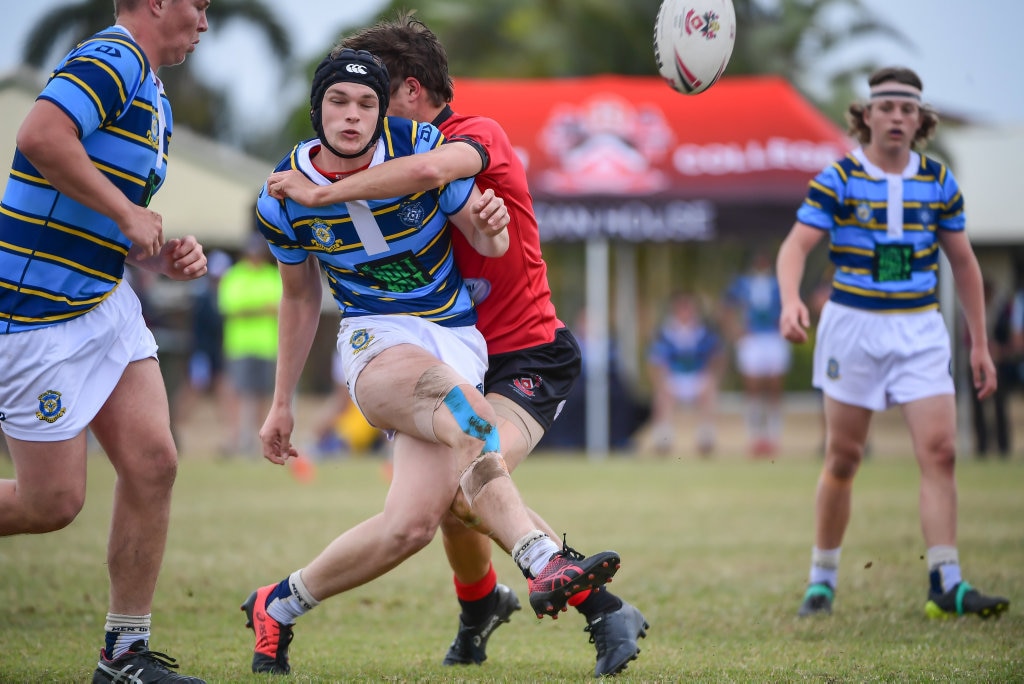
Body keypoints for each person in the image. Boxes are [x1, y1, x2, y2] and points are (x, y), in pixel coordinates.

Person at [265, 16, 648, 678]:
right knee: (442, 491)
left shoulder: (462, 138)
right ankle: (543, 598)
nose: (363, 112)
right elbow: (300, 292)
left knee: (445, 503)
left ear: (406, 91)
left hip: (523, 354)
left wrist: (325, 194)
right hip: (418, 350)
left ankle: (594, 607)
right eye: (344, 99)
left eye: (374, 95)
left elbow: (429, 174)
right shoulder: (308, 183)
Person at [0, 2, 210, 682]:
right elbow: (39, 135)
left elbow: (95, 209)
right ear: (154, 2)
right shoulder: (111, 57)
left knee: (154, 462)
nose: (205, 22)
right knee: (51, 504)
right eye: (198, 5)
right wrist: (126, 211)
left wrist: (156, 254)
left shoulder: (152, 91)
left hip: (103, 299)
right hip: (38, 313)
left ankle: (124, 657)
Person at [777, 66, 1010, 619]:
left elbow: (965, 265)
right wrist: (790, 299)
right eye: (887, 108)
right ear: (867, 115)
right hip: (853, 325)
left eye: (908, 109)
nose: (898, 117)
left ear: (920, 119)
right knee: (843, 457)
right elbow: (795, 247)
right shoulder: (837, 178)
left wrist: (979, 343)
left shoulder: (938, 181)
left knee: (942, 452)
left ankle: (946, 581)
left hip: (919, 327)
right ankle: (823, 578)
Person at [217, 232, 281, 456]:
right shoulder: (234, 275)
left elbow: (278, 307)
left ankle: (257, 440)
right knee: (237, 393)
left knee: (263, 394)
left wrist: (250, 309)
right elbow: (231, 307)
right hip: (240, 345)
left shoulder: (273, 275)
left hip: (266, 345)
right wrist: (261, 308)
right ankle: (235, 438)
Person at [722, 250, 792, 458]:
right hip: (752, 338)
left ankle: (774, 435)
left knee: (775, 386)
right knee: (752, 386)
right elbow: (726, 306)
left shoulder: (778, 283)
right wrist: (734, 330)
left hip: (773, 337)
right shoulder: (741, 283)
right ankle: (754, 435)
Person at [646, 292, 725, 456]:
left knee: (708, 390)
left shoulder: (704, 333)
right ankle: (663, 439)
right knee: (662, 395)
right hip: (674, 377)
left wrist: (712, 377)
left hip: (697, 376)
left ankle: (706, 438)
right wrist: (660, 382)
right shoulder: (665, 334)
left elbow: (718, 356)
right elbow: (655, 361)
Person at [172, 249, 232, 450]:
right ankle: (176, 426)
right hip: (202, 352)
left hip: (215, 352)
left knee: (223, 389)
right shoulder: (202, 296)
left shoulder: (223, 295)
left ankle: (229, 433)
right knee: (194, 388)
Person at [965, 279, 1013, 458]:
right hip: (977, 363)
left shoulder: (1002, 310)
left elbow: (1008, 335)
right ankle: (982, 446)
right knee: (977, 406)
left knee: (1000, 406)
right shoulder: (969, 312)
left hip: (998, 361)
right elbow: (965, 337)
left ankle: (1003, 447)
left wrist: (1000, 349)